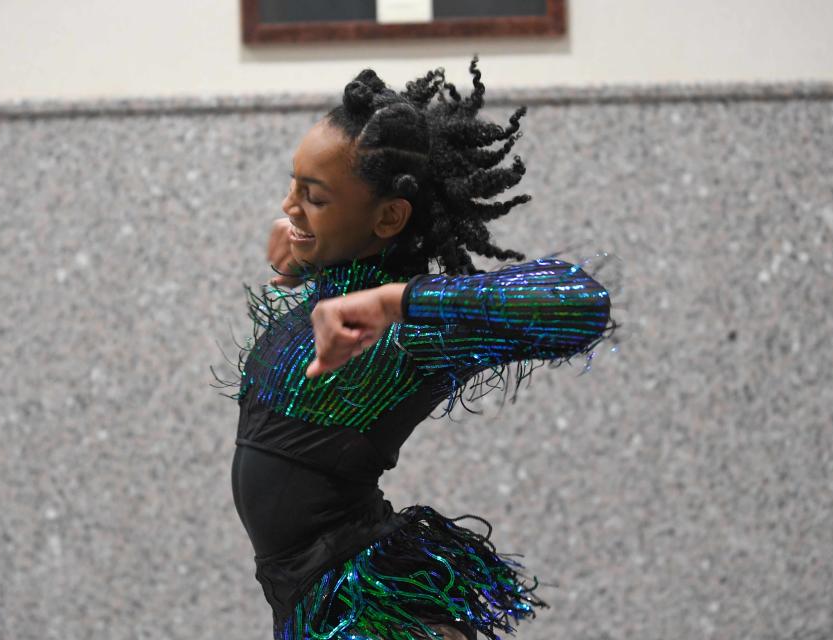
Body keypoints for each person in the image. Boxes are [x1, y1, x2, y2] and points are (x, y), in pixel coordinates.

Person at [212, 54, 619, 639]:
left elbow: (582, 303)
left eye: (315, 196)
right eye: (292, 187)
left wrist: (396, 302)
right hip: (306, 604)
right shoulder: (331, 299)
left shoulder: (409, 327)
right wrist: (308, 255)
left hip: (369, 611)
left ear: (389, 217)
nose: (288, 207)